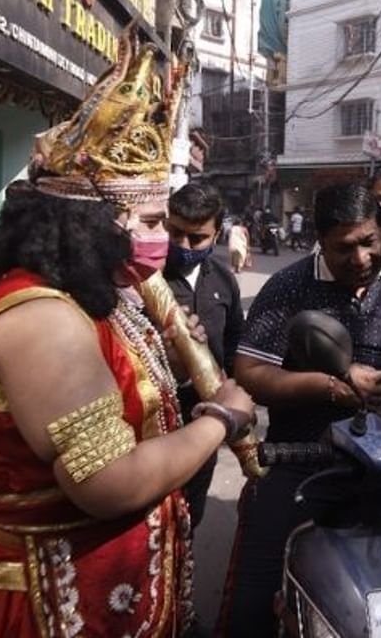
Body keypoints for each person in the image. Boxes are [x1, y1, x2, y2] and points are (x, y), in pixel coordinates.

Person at [0, 37, 255, 636]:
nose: (164, 242)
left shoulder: (95, 295)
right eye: (154, 222)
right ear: (90, 224)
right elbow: (108, 484)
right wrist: (221, 421)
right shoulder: (44, 322)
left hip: (106, 584)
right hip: (44, 602)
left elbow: (130, 397)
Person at [217, 181, 381, 637]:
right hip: (301, 459)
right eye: (344, 248)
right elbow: (250, 372)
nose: (361, 258)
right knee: (255, 597)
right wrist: (330, 386)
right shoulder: (288, 287)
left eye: (369, 242)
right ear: (319, 243)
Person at [164, 183, 244, 532]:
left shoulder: (224, 279)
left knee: (192, 511)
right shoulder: (146, 278)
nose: (184, 246)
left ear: (216, 235)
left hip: (205, 414)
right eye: (175, 233)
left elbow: (235, 345)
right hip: (157, 416)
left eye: (196, 238)